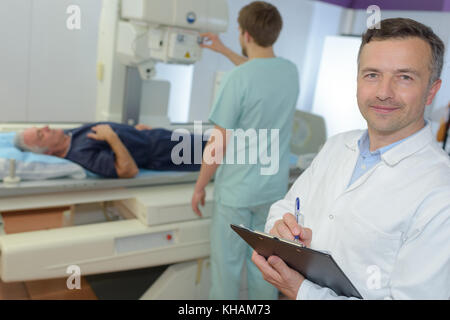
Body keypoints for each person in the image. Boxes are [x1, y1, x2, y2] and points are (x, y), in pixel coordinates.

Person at [251, 18, 450, 300]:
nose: (384, 92)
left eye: (405, 77)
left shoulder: (440, 191)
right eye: (372, 75)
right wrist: (282, 230)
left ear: (431, 90)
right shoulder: (337, 146)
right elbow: (286, 207)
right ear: (357, 80)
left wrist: (301, 291)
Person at [191, 1, 299, 299]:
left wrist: (200, 186)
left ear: (245, 35)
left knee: (226, 268)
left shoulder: (236, 79)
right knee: (265, 268)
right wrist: (224, 50)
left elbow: (217, 144)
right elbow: (259, 74)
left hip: (237, 192)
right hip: (272, 191)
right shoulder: (290, 72)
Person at [14, 122, 206, 178]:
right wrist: (113, 138)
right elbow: (128, 170)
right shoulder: (80, 154)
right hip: (166, 153)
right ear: (47, 152)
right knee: (227, 156)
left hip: (159, 137)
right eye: (41, 135)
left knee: (225, 146)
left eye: (40, 128)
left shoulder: (70, 134)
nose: (46, 128)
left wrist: (133, 132)